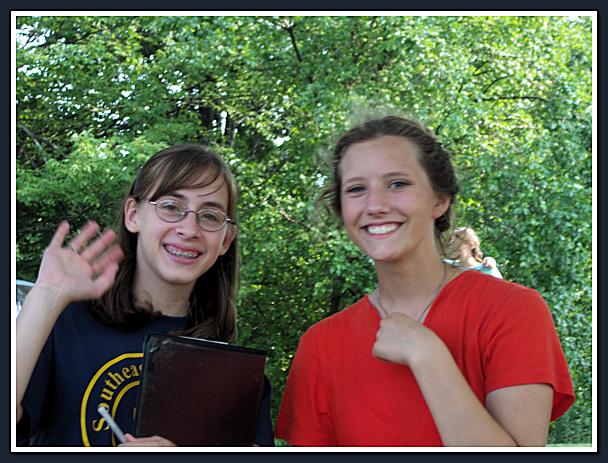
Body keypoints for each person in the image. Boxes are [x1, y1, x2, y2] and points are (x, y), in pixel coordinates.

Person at [275, 115, 574, 446]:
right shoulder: (320, 345)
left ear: (439, 200)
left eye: (398, 183)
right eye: (357, 189)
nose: (375, 205)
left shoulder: (513, 311)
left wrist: (428, 356)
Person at [16, 144, 274, 447]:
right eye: (171, 207)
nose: (189, 229)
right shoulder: (63, 323)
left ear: (225, 240)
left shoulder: (237, 376)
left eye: (210, 216)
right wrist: (46, 295)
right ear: (133, 214)